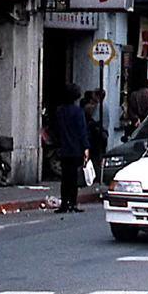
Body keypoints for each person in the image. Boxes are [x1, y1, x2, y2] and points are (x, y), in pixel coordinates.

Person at [54, 84, 90, 213]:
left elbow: (57, 130)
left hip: (64, 148)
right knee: (73, 177)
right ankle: (73, 202)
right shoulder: (78, 111)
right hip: (75, 149)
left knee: (65, 177)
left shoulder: (60, 111)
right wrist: (86, 147)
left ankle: (64, 203)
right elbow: (82, 131)